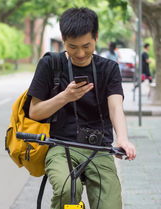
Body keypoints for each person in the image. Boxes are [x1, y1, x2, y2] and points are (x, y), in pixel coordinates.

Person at [27, 8, 136, 209]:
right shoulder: (51, 64)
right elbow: (35, 112)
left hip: (99, 148)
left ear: (96, 36)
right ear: (63, 39)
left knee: (109, 204)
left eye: (87, 46)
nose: (80, 53)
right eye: (72, 46)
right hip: (60, 146)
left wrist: (122, 138)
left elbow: (115, 107)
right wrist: (65, 97)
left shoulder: (109, 68)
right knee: (67, 189)